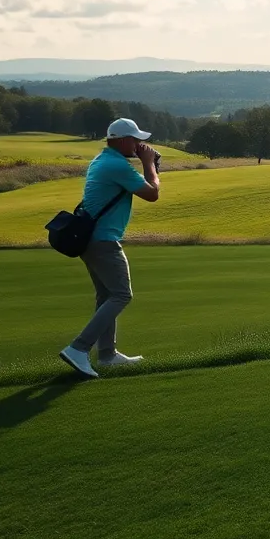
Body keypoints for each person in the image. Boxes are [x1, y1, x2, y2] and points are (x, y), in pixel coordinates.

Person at [59, 118, 162, 379]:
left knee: (106, 296)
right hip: (103, 241)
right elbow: (152, 194)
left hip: (91, 239)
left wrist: (146, 163)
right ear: (124, 140)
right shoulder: (116, 165)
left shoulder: (103, 160)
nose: (140, 144)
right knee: (121, 295)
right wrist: (149, 164)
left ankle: (107, 355)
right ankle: (79, 348)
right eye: (137, 140)